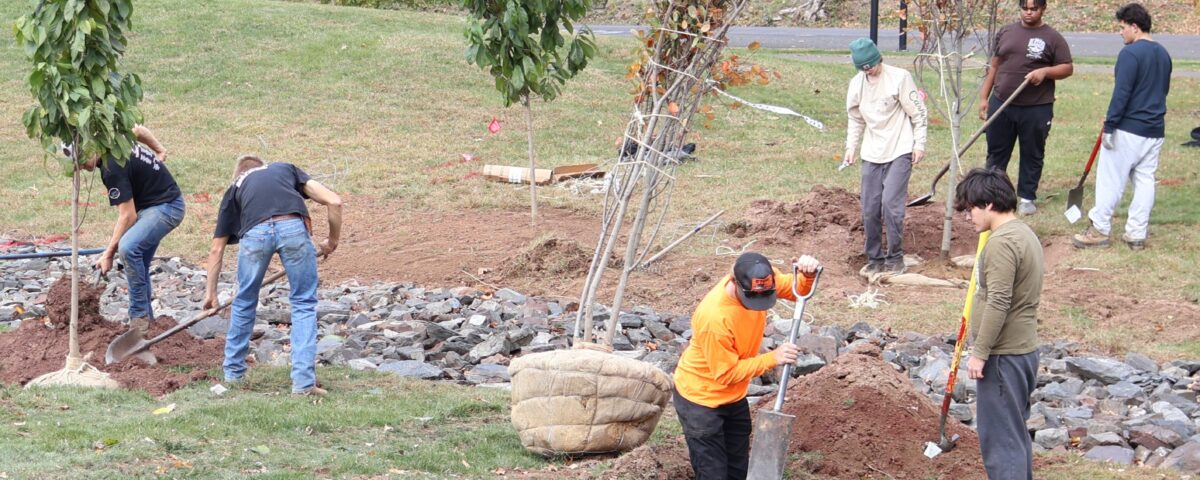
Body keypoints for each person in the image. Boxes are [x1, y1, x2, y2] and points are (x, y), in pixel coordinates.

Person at [672, 251, 820, 480]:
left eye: (765, 296)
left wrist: (807, 274)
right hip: (701, 400)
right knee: (713, 474)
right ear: (735, 283)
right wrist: (773, 358)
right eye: (753, 298)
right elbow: (725, 374)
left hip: (733, 397)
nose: (758, 305)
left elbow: (798, 290)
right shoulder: (715, 318)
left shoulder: (761, 280)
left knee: (738, 470)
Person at [203, 155, 342, 396]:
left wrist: (211, 294)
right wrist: (332, 241)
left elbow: (216, 249)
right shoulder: (285, 169)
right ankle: (303, 384)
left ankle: (233, 375)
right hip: (293, 228)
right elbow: (334, 201)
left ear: (239, 175)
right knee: (303, 303)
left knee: (244, 301)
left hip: (254, 234)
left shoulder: (234, 187)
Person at [955, 168, 1043, 480]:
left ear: (989, 203)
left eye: (971, 208)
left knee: (1002, 443)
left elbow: (998, 301)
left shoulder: (1001, 244)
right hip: (1021, 351)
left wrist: (980, 352)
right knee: (1014, 434)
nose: (968, 217)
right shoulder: (1024, 234)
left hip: (1004, 356)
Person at [1073, 3, 1172, 251]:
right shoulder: (1163, 54)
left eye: (1122, 27)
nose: (1120, 33)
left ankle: (1099, 229)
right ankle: (1137, 233)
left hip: (1128, 130)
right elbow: (1163, 91)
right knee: (1145, 181)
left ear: (1135, 27)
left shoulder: (1130, 54)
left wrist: (1110, 126)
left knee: (1110, 180)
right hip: (1154, 130)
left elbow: (1122, 93)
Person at [74, 125, 184, 335]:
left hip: (167, 207)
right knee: (138, 258)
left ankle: (138, 320)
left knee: (129, 248)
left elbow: (128, 216)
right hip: (156, 205)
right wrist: (159, 150)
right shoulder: (115, 139)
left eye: (79, 162)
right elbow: (138, 129)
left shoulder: (110, 169)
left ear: (89, 150)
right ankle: (147, 324)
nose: (80, 168)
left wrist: (108, 254)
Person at [978, 0, 1073, 216]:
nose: (1028, 13)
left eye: (1034, 9)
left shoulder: (1053, 37)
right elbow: (994, 66)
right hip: (1001, 102)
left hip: (1036, 107)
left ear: (1043, 9)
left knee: (1032, 152)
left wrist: (1045, 72)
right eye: (1025, 8)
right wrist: (984, 97)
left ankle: (1027, 198)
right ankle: (994, 195)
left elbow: (1067, 67)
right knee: (996, 152)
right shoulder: (1006, 32)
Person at [844, 37, 928, 275]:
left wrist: (919, 144)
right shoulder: (857, 84)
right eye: (863, 69)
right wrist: (851, 147)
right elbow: (855, 118)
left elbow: (919, 113)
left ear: (878, 59)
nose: (868, 71)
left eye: (870, 66)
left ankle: (895, 257)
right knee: (870, 208)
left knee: (891, 206)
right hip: (872, 153)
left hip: (899, 150)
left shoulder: (899, 78)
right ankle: (874, 258)